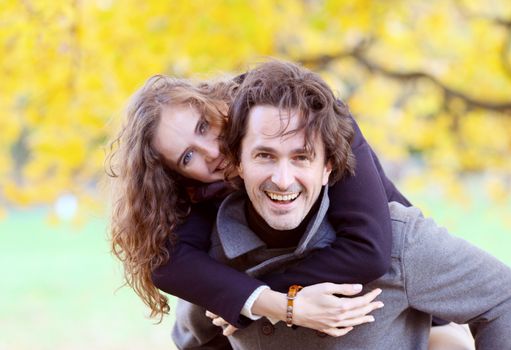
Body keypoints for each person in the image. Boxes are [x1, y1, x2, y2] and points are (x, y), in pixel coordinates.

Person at [173, 60, 511, 349]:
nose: (282, 178)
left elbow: (507, 300)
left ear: (328, 167)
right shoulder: (213, 264)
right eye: (264, 155)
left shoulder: (400, 243)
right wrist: (258, 302)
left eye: (301, 157)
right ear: (238, 163)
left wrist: (274, 301)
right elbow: (197, 339)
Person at [107, 64, 468, 344]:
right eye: (188, 157)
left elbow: (368, 250)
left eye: (204, 126)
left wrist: (253, 299)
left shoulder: (308, 113)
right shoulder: (198, 188)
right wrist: (274, 305)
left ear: (210, 99)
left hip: (405, 307)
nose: (212, 152)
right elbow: (165, 263)